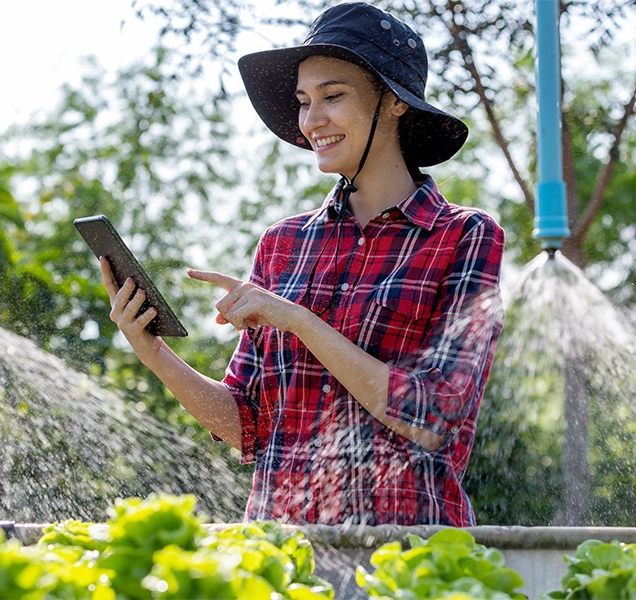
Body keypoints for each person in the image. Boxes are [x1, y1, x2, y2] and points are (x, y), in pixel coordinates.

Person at [99, 2, 505, 527]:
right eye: (303, 101)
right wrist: (151, 351)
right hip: (285, 553)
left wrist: (298, 319)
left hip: (407, 557)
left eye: (333, 96)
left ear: (394, 103)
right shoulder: (282, 243)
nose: (312, 121)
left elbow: (432, 418)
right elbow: (246, 424)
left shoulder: (464, 237)